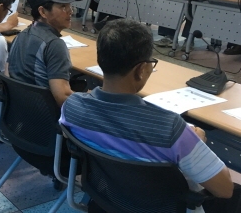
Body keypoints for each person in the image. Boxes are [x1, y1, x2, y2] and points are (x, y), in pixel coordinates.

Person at [60, 19, 239, 213]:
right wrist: (196, 142)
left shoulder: (72, 107)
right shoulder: (171, 129)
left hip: (107, 200)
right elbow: (224, 189)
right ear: (141, 69)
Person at [8, 0, 83, 107]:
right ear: (43, 12)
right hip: (46, 114)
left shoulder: (21, 35)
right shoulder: (54, 44)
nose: (70, 11)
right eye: (63, 7)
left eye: (70, 6)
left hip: (19, 110)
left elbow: (7, 73)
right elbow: (62, 97)